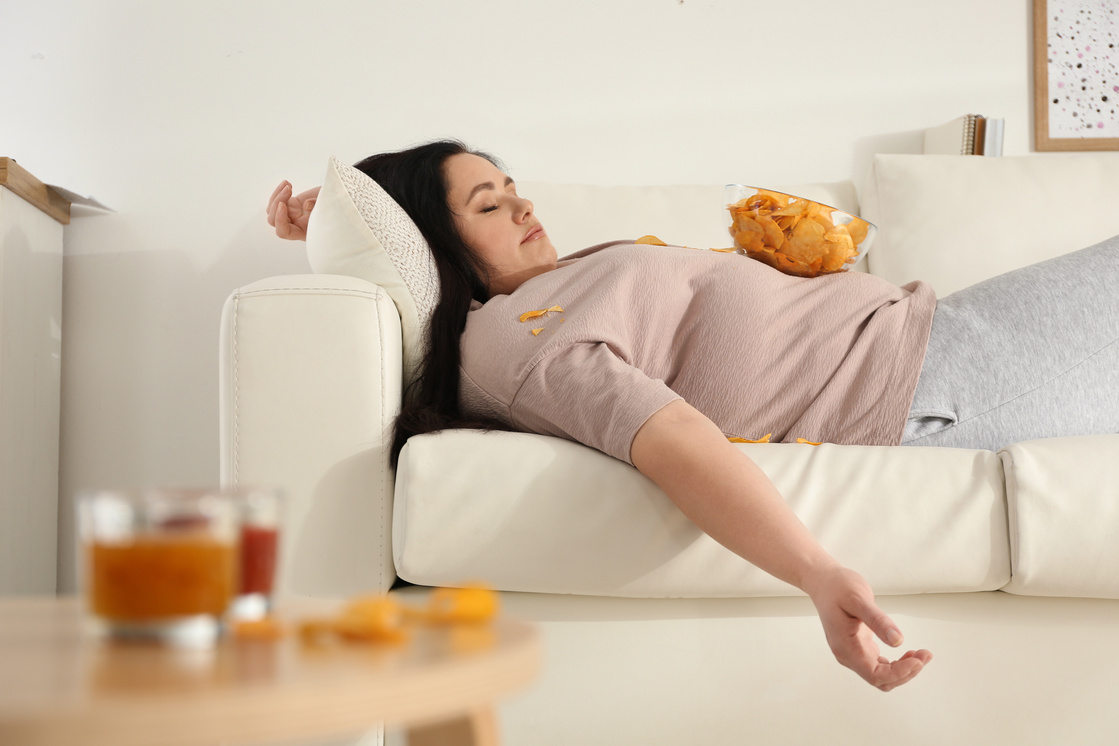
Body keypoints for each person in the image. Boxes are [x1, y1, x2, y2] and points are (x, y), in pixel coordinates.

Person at [267, 140, 1119, 691]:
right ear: (434, 245)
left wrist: (330, 216)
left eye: (514, 188)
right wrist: (818, 573)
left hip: (936, 333)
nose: (525, 208)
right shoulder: (511, 346)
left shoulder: (541, 291)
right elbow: (669, 436)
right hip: (932, 379)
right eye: (488, 206)